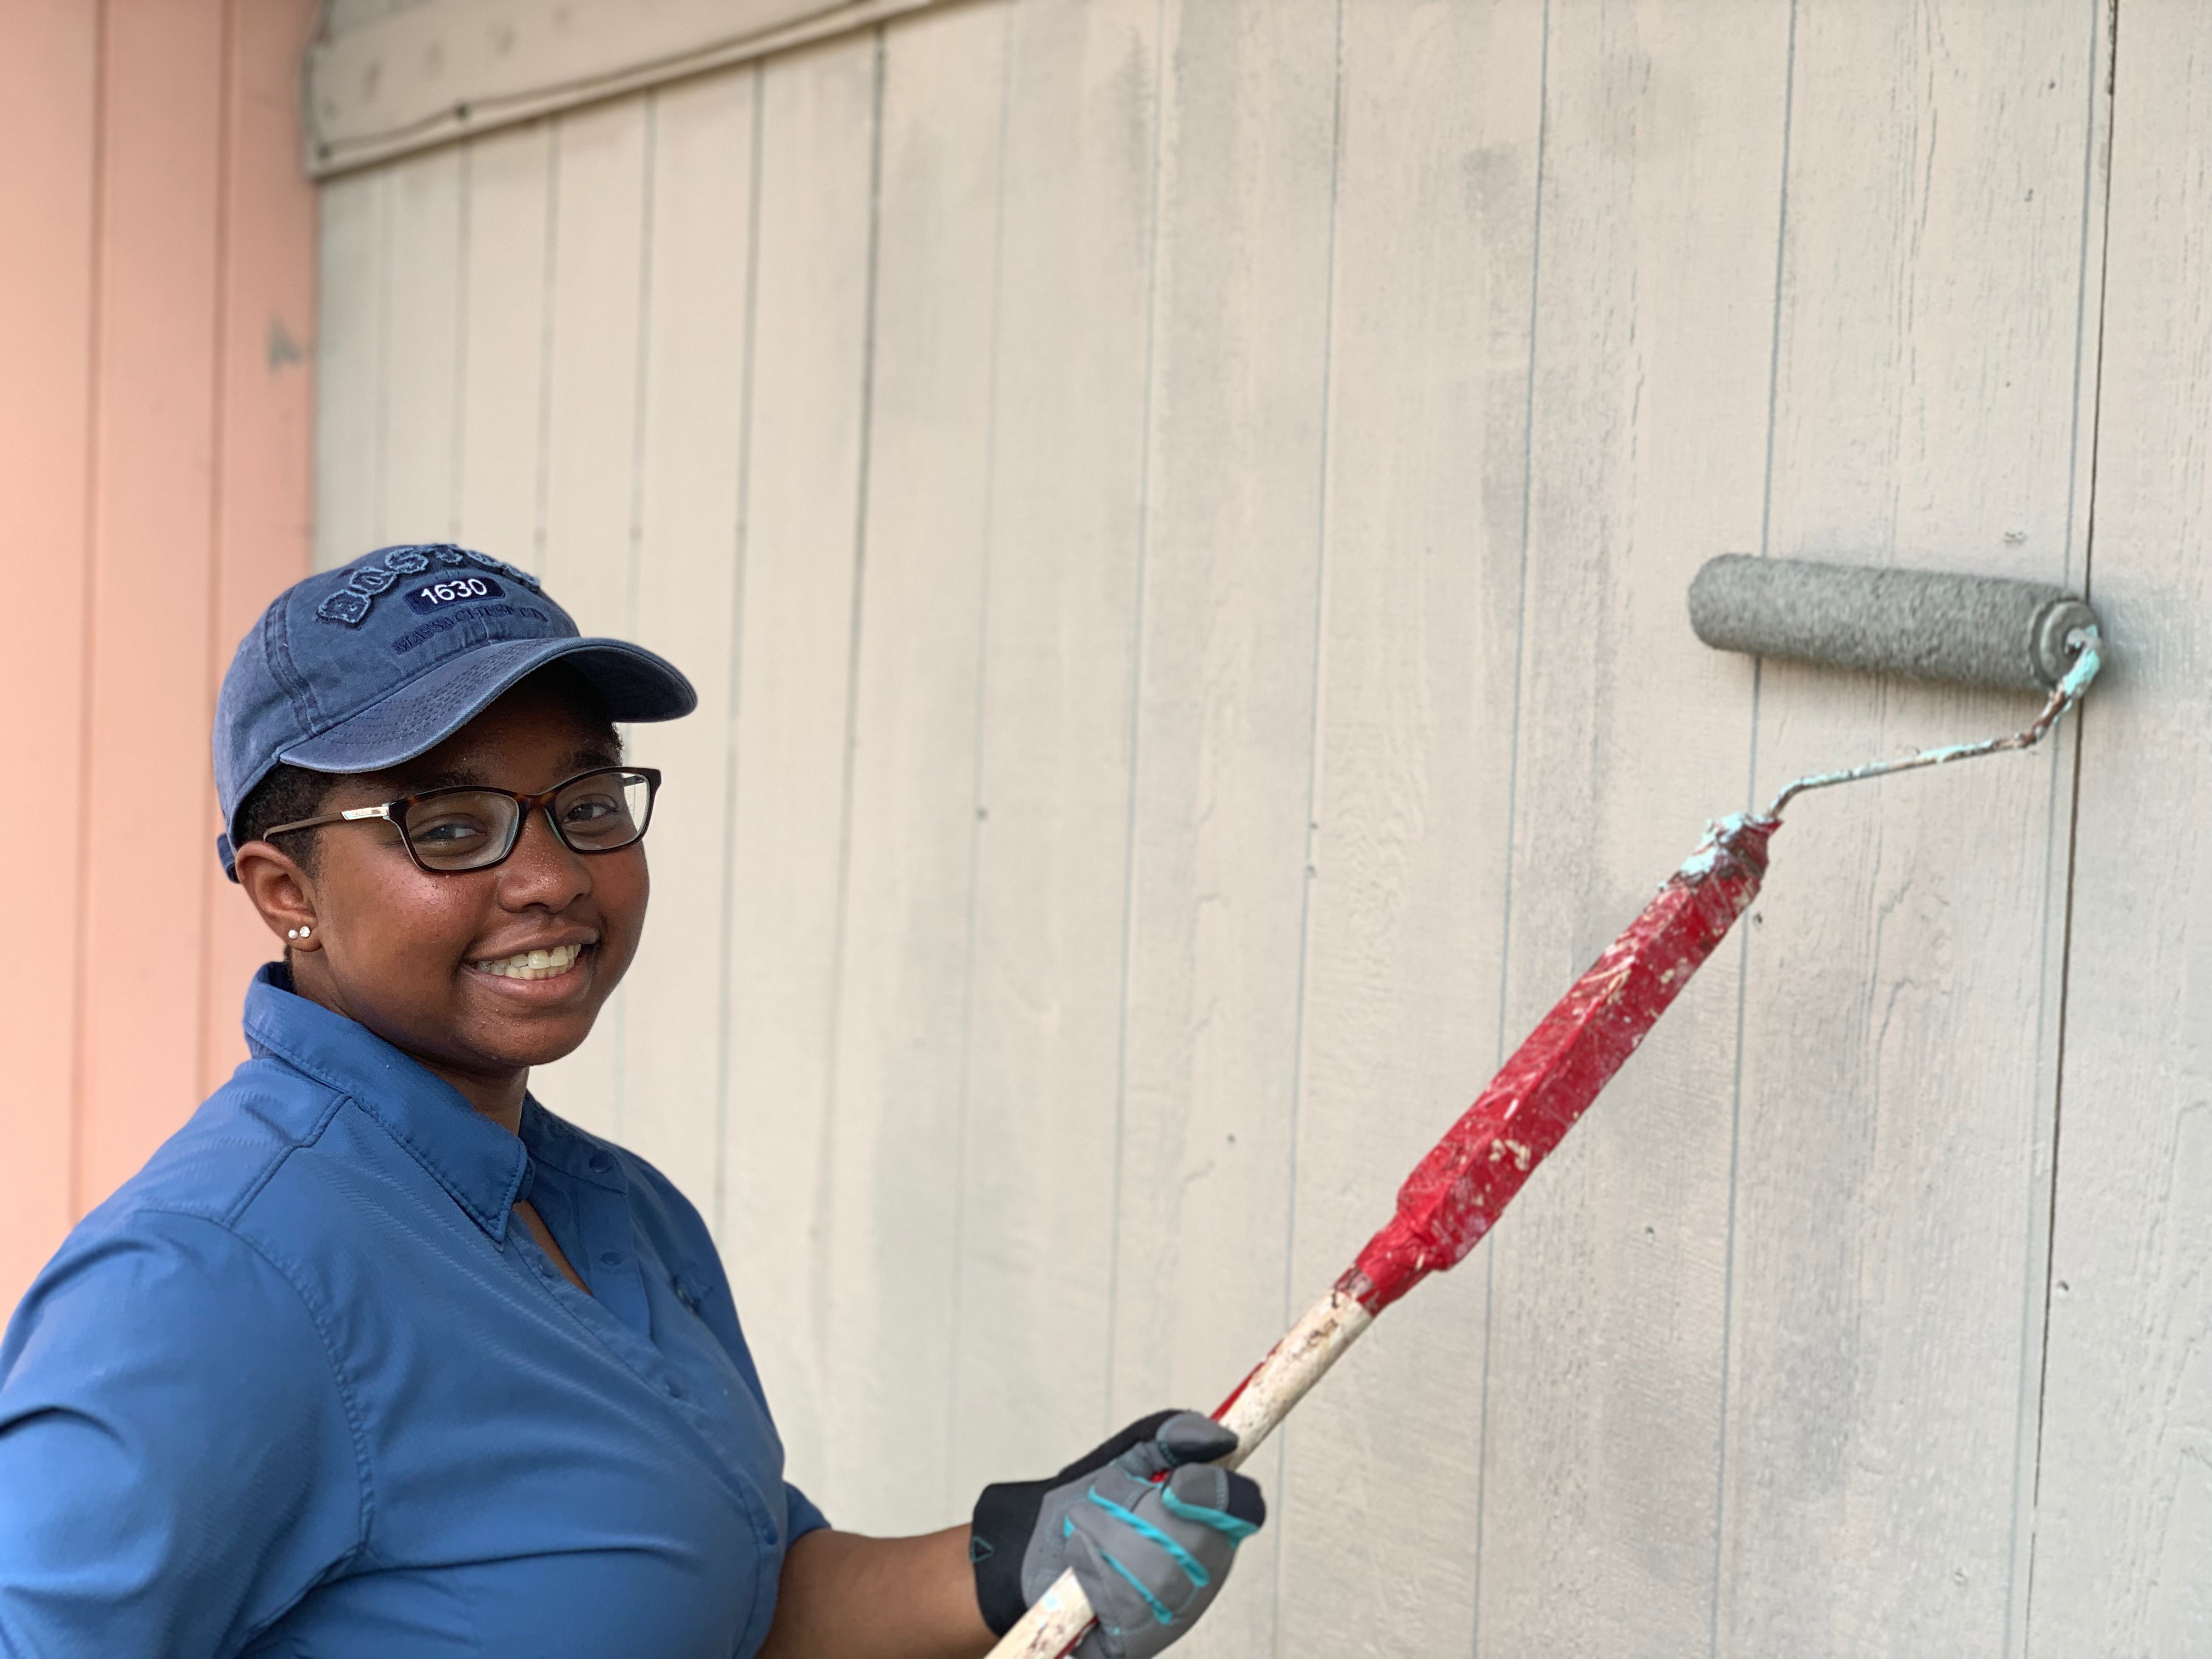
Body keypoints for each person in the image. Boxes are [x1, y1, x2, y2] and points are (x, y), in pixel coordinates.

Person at [0, 547, 1265, 1659]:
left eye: (587, 804)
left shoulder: (614, 1210)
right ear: (287, 890)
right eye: (451, 825)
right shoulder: (209, 1280)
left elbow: (736, 1609)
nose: (552, 874)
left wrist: (1018, 1559)